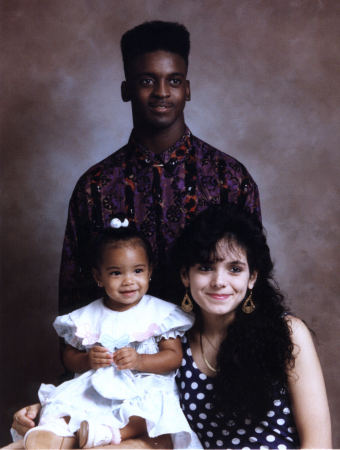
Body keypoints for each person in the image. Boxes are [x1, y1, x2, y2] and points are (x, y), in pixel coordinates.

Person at [59, 19, 261, 314]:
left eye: (174, 80)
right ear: (126, 89)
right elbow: (73, 296)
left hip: (214, 353)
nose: (162, 92)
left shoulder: (229, 178)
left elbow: (255, 280)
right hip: (122, 354)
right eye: (147, 81)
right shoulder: (95, 186)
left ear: (187, 89)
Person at [13, 222, 198, 449]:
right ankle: (56, 434)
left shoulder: (160, 314)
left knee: (149, 411)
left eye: (137, 271)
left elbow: (173, 356)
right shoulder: (88, 316)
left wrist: (140, 361)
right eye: (116, 273)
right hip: (98, 384)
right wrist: (87, 360)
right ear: (98, 277)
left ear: (150, 271)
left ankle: (109, 433)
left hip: (144, 384)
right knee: (68, 402)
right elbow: (69, 355)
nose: (128, 280)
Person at [171, 205, 332, 449]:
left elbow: (318, 444)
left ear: (252, 277)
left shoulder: (287, 332)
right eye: (205, 268)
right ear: (186, 275)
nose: (219, 282)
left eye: (234, 269)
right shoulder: (171, 345)